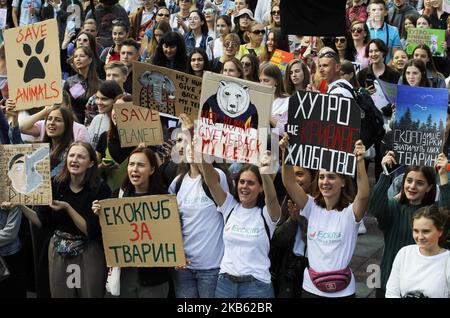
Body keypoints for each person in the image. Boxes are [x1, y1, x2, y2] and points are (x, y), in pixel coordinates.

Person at [7, 141, 111, 297]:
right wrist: (20, 205)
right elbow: (42, 221)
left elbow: (91, 231)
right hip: (59, 253)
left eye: (81, 157)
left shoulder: (100, 188)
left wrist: (67, 208)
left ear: (90, 163)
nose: (75, 160)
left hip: (88, 253)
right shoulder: (55, 183)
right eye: (72, 155)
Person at [280, 135, 370, 298]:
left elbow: (363, 195)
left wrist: (360, 162)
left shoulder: (350, 212)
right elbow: (289, 183)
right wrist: (287, 153)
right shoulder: (311, 206)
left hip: (343, 292)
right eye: (321, 177)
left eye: (331, 177)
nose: (325, 181)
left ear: (343, 182)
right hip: (311, 289)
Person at [367, 151, 450, 297]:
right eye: (409, 180)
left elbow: (447, 217)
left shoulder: (433, 211)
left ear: (430, 187)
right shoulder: (394, 206)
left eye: (419, 183)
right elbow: (376, 207)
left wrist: (443, 175)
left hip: (426, 282)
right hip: (389, 279)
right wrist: (385, 173)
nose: (412, 186)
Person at [92, 146, 170, 297]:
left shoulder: (164, 200)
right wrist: (101, 217)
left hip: (154, 279)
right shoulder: (117, 197)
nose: (134, 169)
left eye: (141, 165)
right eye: (131, 164)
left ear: (152, 169)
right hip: (125, 275)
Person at [200, 155, 281, 298]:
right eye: (241, 182)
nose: (244, 186)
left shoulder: (268, 214)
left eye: (251, 183)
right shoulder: (229, 206)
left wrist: (265, 173)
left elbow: (272, 198)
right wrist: (201, 151)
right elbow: (211, 182)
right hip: (225, 285)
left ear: (261, 188)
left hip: (257, 286)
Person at [168, 120, 230, 298]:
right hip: (184, 268)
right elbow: (169, 224)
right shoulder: (177, 183)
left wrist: (194, 133)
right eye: (186, 143)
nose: (190, 147)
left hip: (211, 268)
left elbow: (209, 175)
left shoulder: (218, 177)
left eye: (195, 143)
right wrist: (175, 255)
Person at [270, 166, 316, 298]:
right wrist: (292, 220)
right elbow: (277, 239)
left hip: (313, 269)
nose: (296, 179)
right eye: (293, 174)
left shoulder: (322, 204)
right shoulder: (287, 200)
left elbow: (319, 243)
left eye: (300, 174)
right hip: (289, 267)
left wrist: (301, 220)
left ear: (313, 177)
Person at [386, 205, 450, 298]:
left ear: (440, 231)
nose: (420, 237)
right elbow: (391, 292)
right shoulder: (404, 253)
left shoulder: (447, 261)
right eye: (416, 231)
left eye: (426, 231)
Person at [64, 46, 101, 124]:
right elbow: (65, 105)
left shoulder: (100, 84)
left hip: (93, 124)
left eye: (82, 56)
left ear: (90, 60)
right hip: (74, 123)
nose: (78, 59)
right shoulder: (70, 81)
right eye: (75, 56)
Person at [87, 80, 124, 150]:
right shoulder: (97, 119)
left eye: (104, 99)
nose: (99, 102)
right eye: (97, 98)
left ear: (116, 100)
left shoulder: (124, 122)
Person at [259, 63, 289, 135]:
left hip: (274, 143)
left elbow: (285, 131)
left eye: (266, 81)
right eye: (260, 80)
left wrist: (267, 116)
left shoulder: (287, 101)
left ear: (276, 81)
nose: (262, 84)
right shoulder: (257, 100)